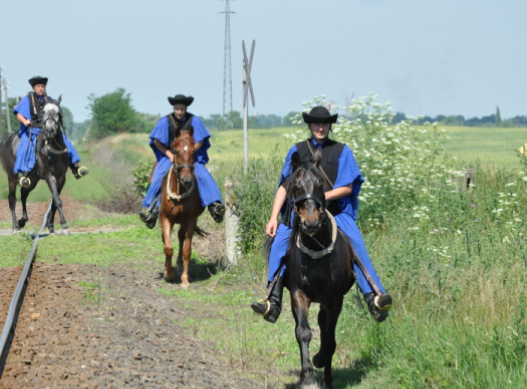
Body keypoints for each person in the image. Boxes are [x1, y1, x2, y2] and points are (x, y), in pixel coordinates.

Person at [250, 105, 393, 323]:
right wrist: (273, 217)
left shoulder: (341, 151)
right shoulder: (297, 150)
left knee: (356, 244)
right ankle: (272, 301)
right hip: (299, 213)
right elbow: (284, 186)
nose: (320, 127)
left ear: (329, 126)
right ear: (310, 125)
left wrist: (320, 198)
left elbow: (347, 188)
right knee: (279, 244)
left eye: (324, 123)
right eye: (316, 123)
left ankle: (374, 296)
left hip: (336, 212)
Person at [139, 94, 226, 229]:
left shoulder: (194, 120)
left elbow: (201, 140)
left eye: (182, 109)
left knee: (203, 174)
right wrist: (169, 154)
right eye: (177, 109)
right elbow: (156, 141)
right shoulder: (165, 121)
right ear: (174, 108)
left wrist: (190, 152)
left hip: (189, 158)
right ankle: (151, 210)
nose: (179, 112)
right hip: (171, 157)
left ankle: (214, 205)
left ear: (185, 109)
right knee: (159, 176)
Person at [12, 76, 88, 188]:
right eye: (38, 86)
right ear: (34, 88)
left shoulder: (50, 100)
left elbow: (57, 114)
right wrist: (25, 121)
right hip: (32, 129)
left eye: (42, 86)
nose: (41, 88)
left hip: (48, 129)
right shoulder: (27, 99)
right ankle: (26, 174)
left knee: (65, 140)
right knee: (26, 145)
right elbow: (18, 113)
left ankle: (76, 167)